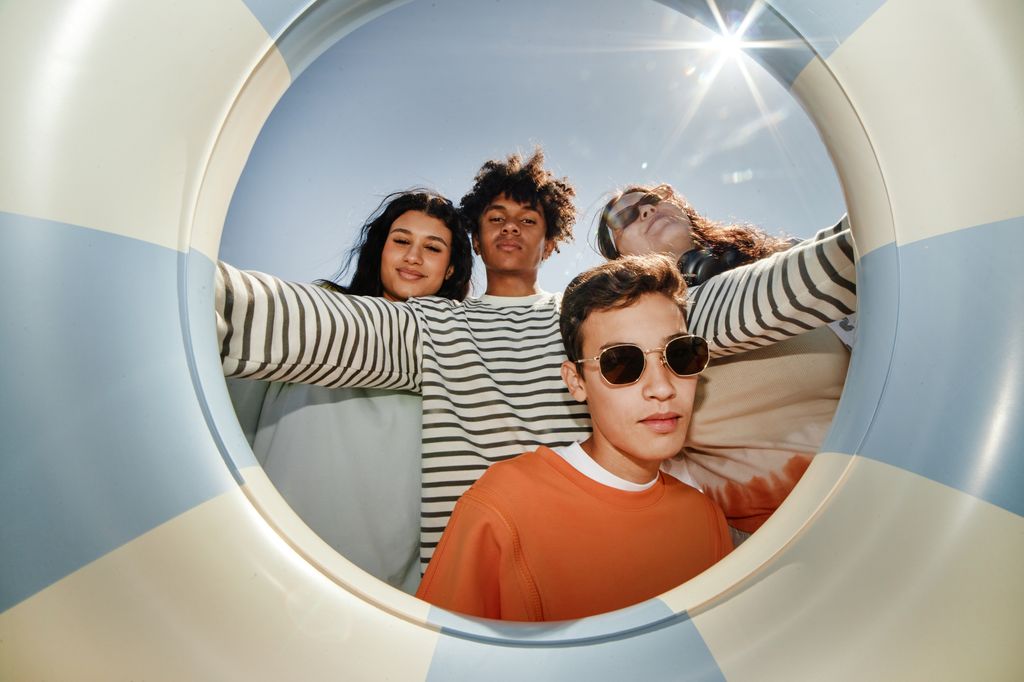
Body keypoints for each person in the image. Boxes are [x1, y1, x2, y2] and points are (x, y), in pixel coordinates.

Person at [215, 148, 856, 571]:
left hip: (614, 576)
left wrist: (852, 255)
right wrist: (193, 292)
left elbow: (713, 313)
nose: (511, 228)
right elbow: (315, 326)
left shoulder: (594, 311)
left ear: (550, 242)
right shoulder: (428, 323)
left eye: (528, 219)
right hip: (476, 597)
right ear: (475, 237)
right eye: (496, 217)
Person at [416, 255, 732, 621]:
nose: (662, 388)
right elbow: (434, 649)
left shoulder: (704, 518)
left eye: (680, 355)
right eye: (621, 362)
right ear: (575, 381)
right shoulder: (502, 504)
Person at [227, 190, 472, 593]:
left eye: (432, 248)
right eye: (401, 240)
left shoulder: (456, 354)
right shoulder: (316, 313)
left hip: (383, 587)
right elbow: (235, 418)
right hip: (267, 555)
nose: (413, 257)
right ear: (380, 249)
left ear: (449, 270)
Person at [596, 184, 854, 539]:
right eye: (624, 216)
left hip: (887, 468)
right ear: (620, 260)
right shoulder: (639, 337)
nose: (647, 210)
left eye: (654, 199)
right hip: (779, 538)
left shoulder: (783, 254)